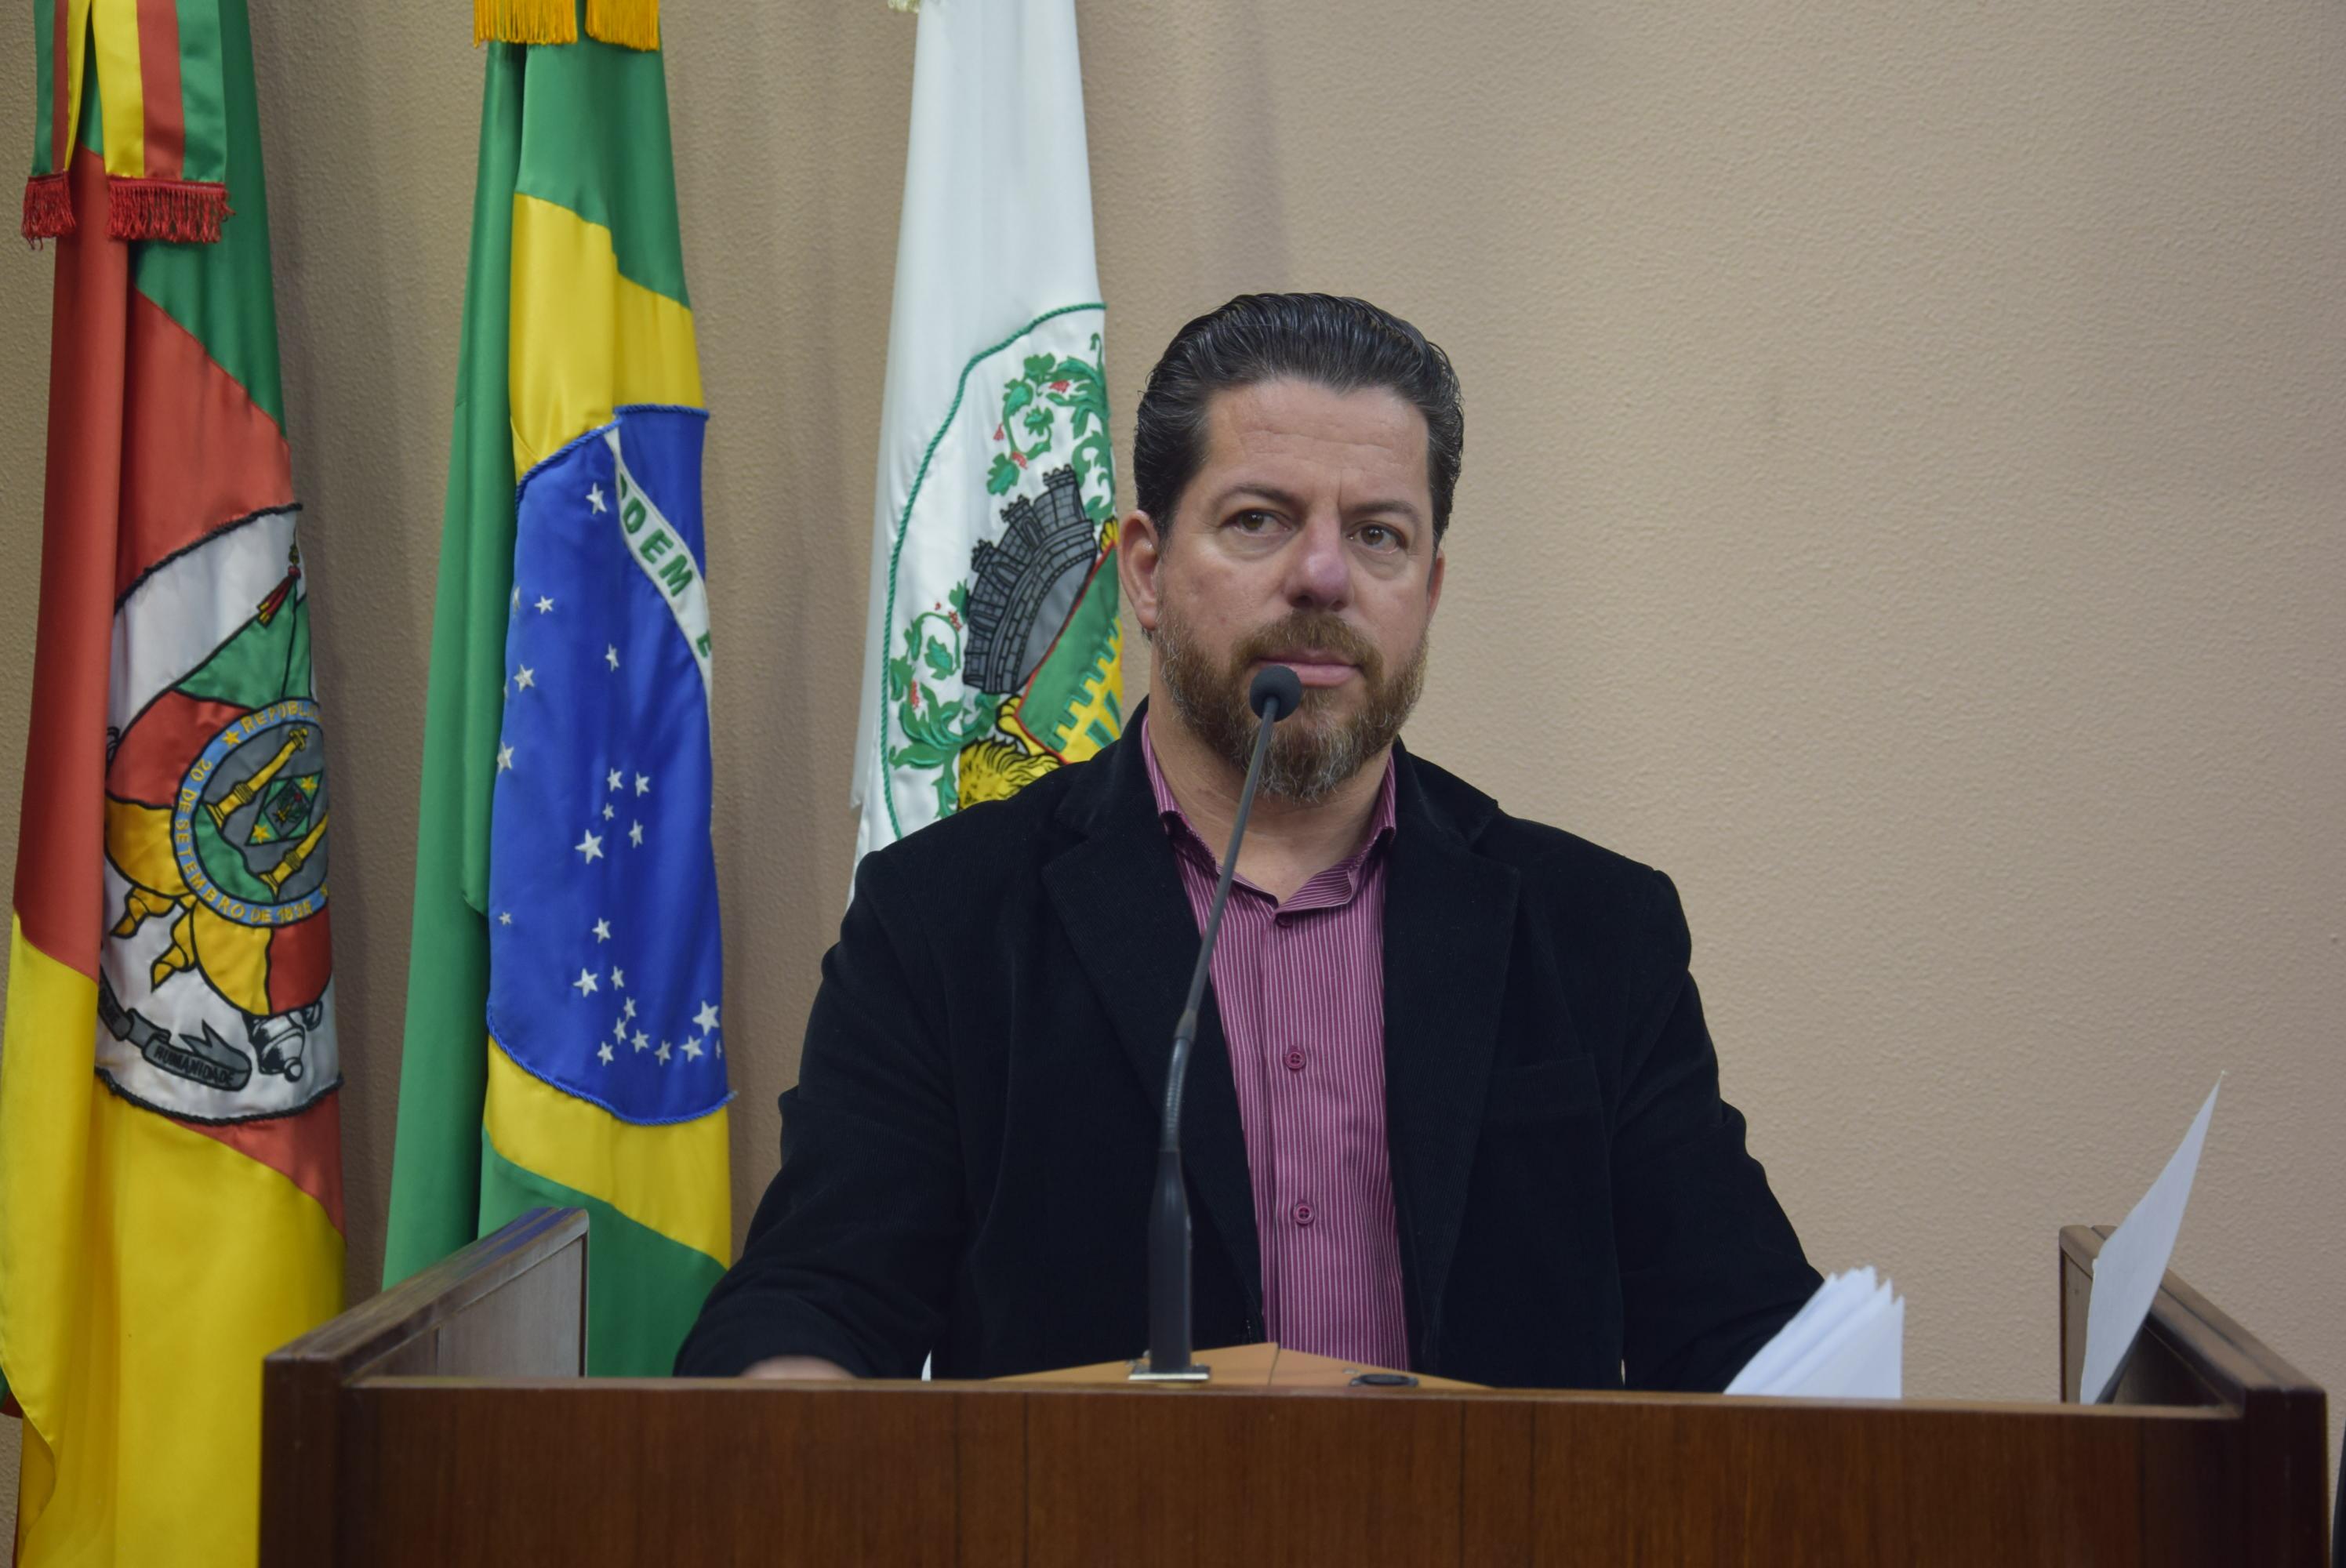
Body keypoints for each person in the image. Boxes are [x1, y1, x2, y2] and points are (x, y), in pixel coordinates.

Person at [676, 293, 1819, 1389]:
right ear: (1145, 571)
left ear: (1429, 587)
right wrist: (796, 1400)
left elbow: (1742, 1329)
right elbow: (816, 1297)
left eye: (1379, 534)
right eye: (1259, 520)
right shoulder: (944, 920)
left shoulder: (1594, 932)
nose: (1323, 576)